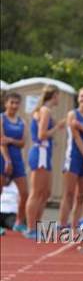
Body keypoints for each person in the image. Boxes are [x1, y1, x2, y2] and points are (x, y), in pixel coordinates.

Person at [25, 85, 65, 239]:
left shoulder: (42, 110)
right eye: (58, 95)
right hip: (40, 152)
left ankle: (36, 224)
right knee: (36, 192)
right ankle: (30, 227)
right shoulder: (45, 110)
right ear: (54, 95)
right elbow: (42, 134)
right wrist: (57, 127)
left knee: (45, 192)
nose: (58, 99)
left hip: (44, 152)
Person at [58, 87, 83, 229]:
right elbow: (76, 137)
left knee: (81, 195)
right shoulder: (72, 114)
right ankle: (62, 224)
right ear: (78, 98)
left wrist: (82, 127)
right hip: (74, 157)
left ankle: (75, 225)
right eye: (82, 96)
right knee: (69, 193)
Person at [0, 92, 28, 232]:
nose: (14, 106)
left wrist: (11, 140)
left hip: (17, 158)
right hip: (3, 157)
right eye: (12, 102)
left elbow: (23, 143)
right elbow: (1, 141)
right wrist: (7, 160)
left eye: (17, 103)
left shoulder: (22, 121)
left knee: (25, 192)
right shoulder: (1, 119)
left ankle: (19, 221)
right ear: (6, 103)